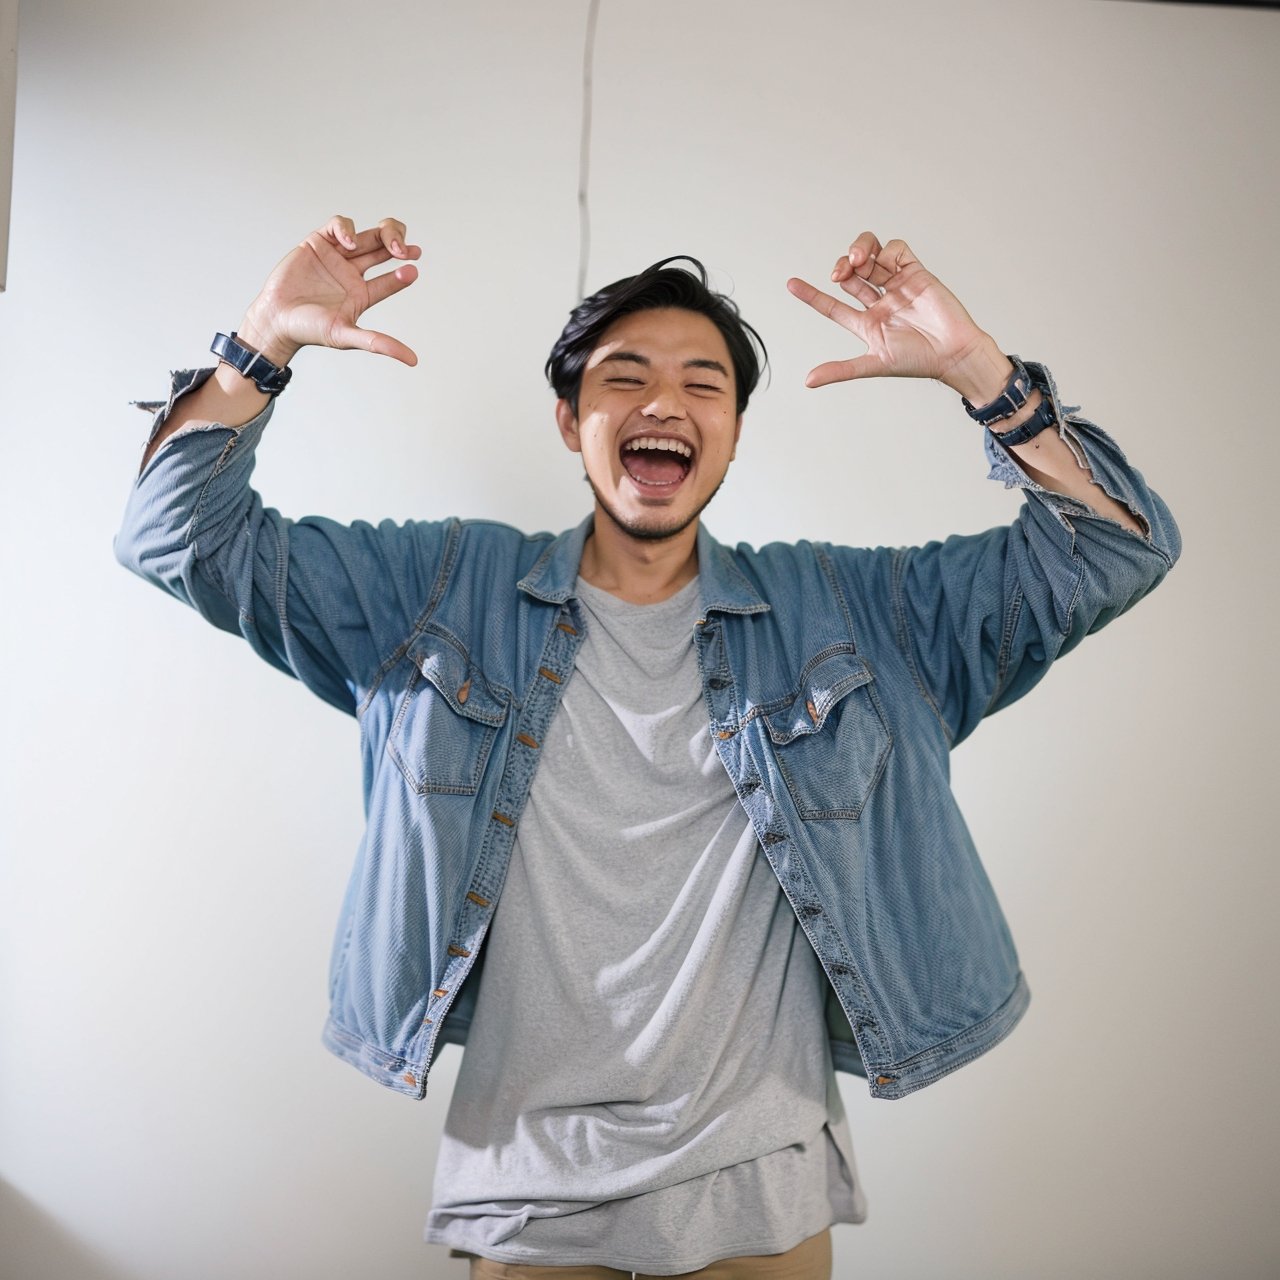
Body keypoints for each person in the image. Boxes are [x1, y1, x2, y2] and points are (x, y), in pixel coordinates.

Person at [115, 215, 1180, 1279]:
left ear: (732, 429)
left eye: (701, 384)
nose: (662, 403)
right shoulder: (437, 593)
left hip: (759, 1180)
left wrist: (978, 372)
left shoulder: (859, 614)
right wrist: (261, 340)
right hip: (524, 1180)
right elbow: (172, 535)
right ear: (568, 420)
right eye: (622, 378)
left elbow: (1114, 547)